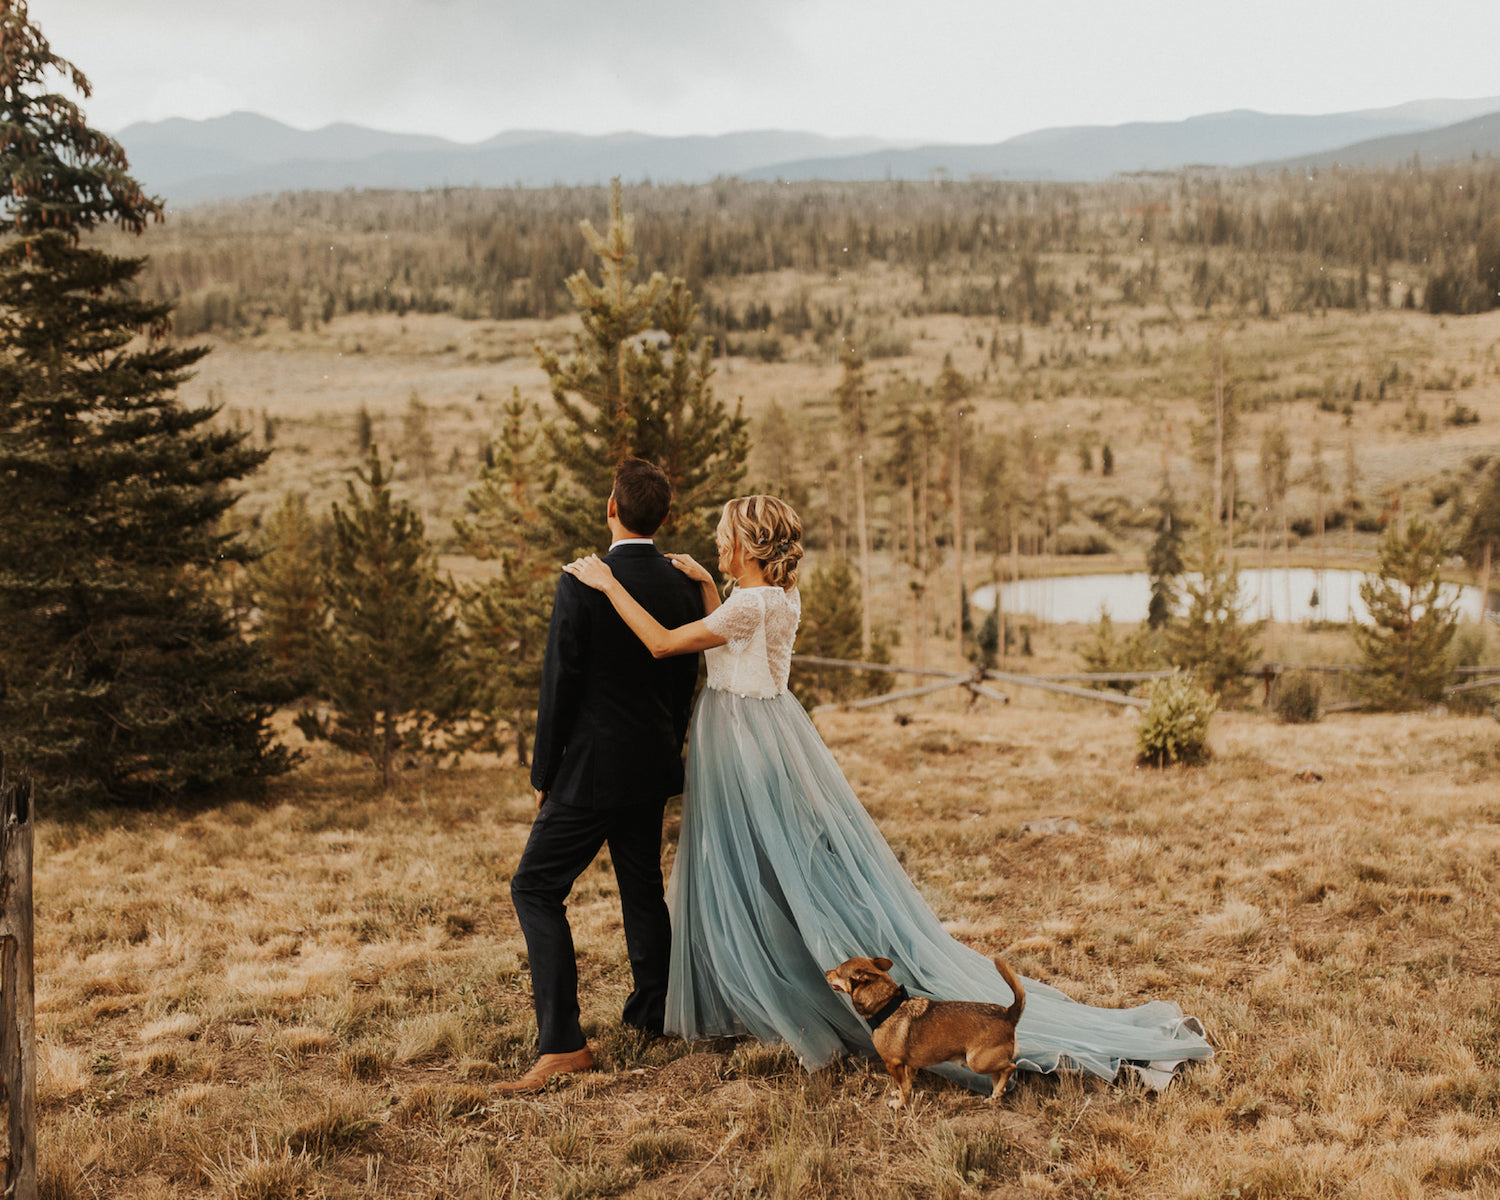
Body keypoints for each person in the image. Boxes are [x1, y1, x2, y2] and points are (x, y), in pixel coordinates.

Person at [562, 494, 1213, 1093]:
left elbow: (663, 643)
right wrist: (707, 582)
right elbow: (736, 630)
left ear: (748, 545)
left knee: (757, 871)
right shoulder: (774, 599)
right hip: (768, 735)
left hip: (740, 745)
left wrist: (609, 582)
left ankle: (794, 989)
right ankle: (792, 975)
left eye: (725, 537)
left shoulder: (749, 603)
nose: (717, 542)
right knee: (781, 869)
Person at [500, 458, 703, 1095]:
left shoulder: (585, 579)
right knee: (641, 887)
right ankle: (652, 1013)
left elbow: (560, 682)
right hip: (650, 764)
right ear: (664, 517)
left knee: (534, 888)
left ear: (610, 509)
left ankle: (562, 1044)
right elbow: (683, 678)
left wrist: (544, 771)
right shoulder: (682, 582)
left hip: (589, 771)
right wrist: (665, 746)